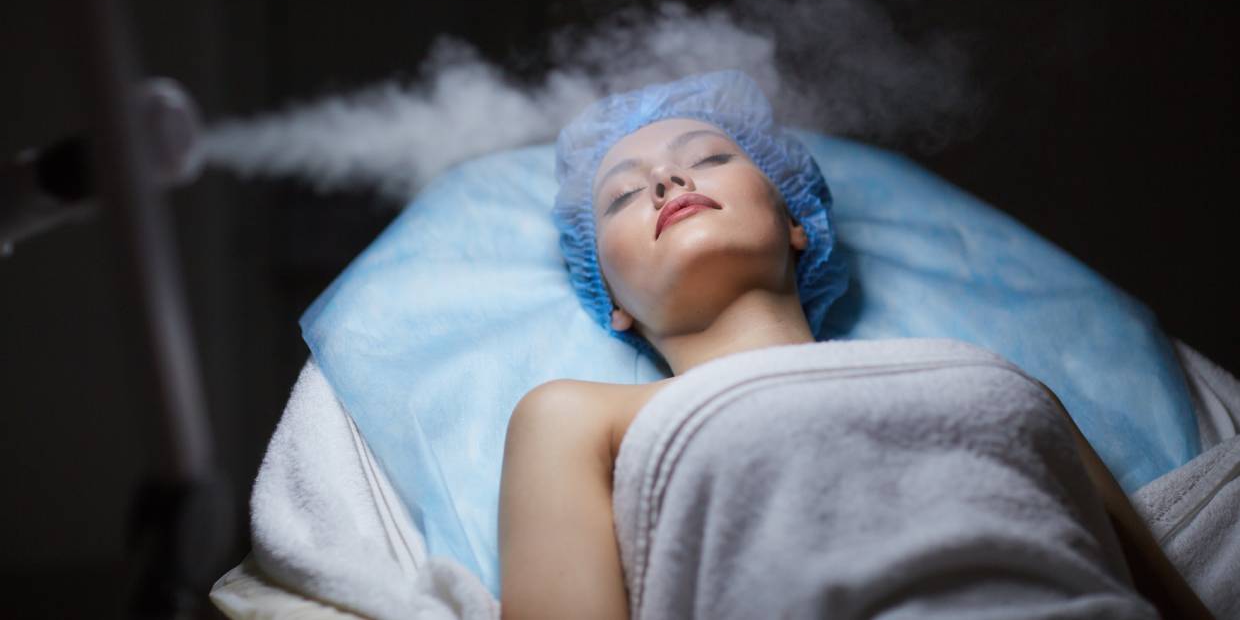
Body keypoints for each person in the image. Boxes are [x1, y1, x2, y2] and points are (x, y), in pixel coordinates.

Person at [496, 70, 1214, 620]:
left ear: (796, 220)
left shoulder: (993, 375)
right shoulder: (578, 416)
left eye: (710, 157)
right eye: (622, 197)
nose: (666, 180)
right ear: (612, 297)